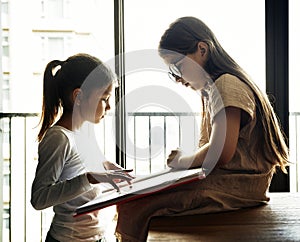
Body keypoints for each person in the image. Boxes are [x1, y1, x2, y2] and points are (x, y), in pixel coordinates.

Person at [115, 16, 289, 242]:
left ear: (202, 49)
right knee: (137, 194)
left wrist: (183, 161)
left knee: (133, 205)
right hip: (236, 184)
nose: (177, 79)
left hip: (236, 188)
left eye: (177, 66)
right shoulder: (217, 87)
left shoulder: (226, 84)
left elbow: (221, 153)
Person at [31, 53, 133, 242]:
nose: (109, 106)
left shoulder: (84, 132)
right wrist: (90, 178)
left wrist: (112, 169)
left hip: (95, 236)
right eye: (104, 98)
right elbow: (39, 198)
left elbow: (89, 165)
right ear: (78, 96)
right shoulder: (58, 138)